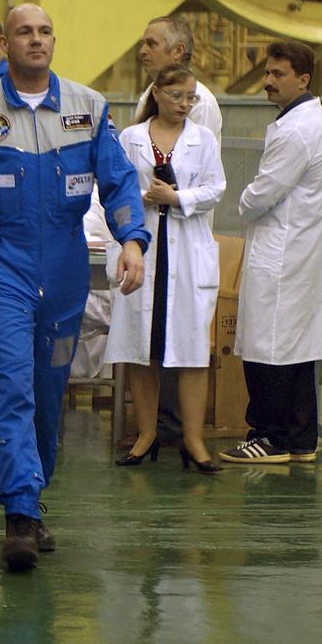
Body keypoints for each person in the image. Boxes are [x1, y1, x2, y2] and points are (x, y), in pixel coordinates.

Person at [0, 4, 149, 572]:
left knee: (48, 394)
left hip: (65, 270)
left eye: (44, 32)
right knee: (13, 385)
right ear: (6, 44)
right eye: (24, 32)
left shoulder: (88, 108)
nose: (36, 40)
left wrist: (133, 240)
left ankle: (33, 498)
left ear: (54, 41)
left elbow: (118, 183)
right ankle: (18, 514)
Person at [220, 42, 322, 465]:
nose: (269, 82)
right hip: (302, 253)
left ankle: (269, 437)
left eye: (278, 74)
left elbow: (259, 196)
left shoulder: (296, 130)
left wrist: (245, 196)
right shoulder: (321, 121)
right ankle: (301, 440)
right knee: (295, 351)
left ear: (304, 79)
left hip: (285, 253)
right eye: (268, 74)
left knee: (267, 348)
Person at [105, 64, 226, 474]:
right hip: (144, 248)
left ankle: (193, 440)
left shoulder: (202, 138)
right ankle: (146, 435)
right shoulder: (131, 138)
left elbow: (216, 188)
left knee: (191, 350)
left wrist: (177, 197)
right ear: (156, 93)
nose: (185, 104)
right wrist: (147, 196)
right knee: (142, 349)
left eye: (191, 97)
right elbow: (116, 189)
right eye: (177, 96)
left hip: (187, 251)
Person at [134, 16, 222, 141]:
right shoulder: (149, 94)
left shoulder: (201, 103)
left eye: (151, 44)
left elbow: (200, 156)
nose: (142, 51)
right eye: (143, 44)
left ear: (178, 51)